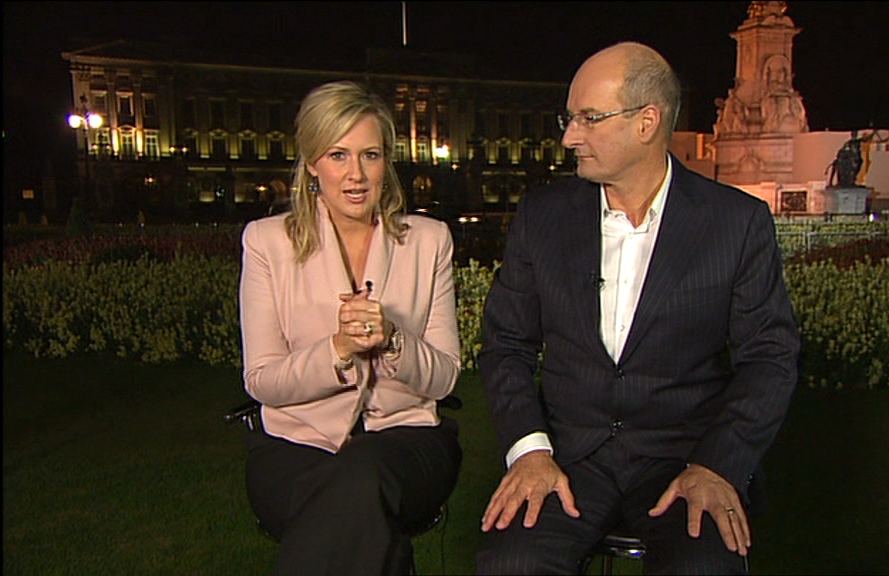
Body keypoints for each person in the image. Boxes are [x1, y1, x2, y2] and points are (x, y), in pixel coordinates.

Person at [476, 42, 800, 575]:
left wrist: (717, 464)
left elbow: (769, 358)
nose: (569, 137)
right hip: (567, 457)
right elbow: (505, 345)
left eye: (589, 118)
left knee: (704, 567)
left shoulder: (736, 223)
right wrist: (529, 450)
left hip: (685, 458)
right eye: (568, 118)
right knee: (511, 562)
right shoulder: (542, 217)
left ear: (647, 122)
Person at [239, 81, 462, 576]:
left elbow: (445, 378)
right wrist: (337, 349)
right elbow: (262, 381)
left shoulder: (430, 241)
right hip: (295, 445)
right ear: (312, 163)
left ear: (387, 163)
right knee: (358, 504)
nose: (356, 174)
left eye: (370, 155)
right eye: (338, 155)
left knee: (359, 483)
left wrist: (394, 340)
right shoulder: (266, 243)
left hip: (407, 441)